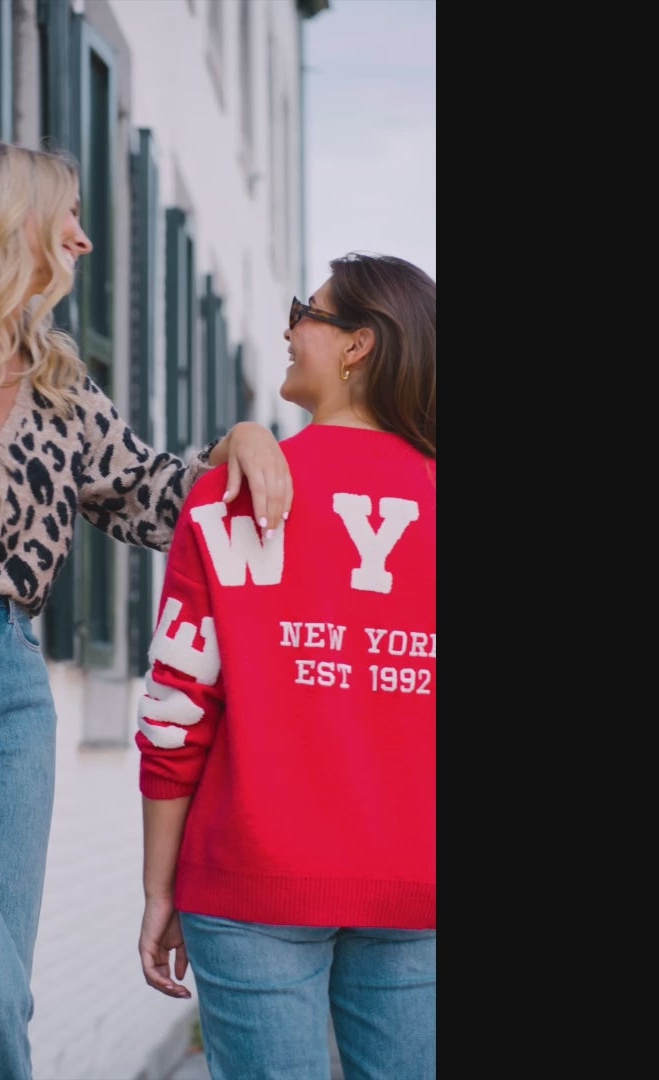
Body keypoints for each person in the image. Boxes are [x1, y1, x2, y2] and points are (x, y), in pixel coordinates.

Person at [0, 140, 292, 1080]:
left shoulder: (56, 380)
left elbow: (152, 495)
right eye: (68, 216)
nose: (82, 240)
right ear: (12, 222)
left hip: (15, 697)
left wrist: (243, 437)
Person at [133, 253, 437, 1079]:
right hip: (417, 878)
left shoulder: (226, 500)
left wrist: (160, 888)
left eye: (308, 312)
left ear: (358, 346)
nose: (289, 328)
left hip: (250, 876)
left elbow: (175, 711)